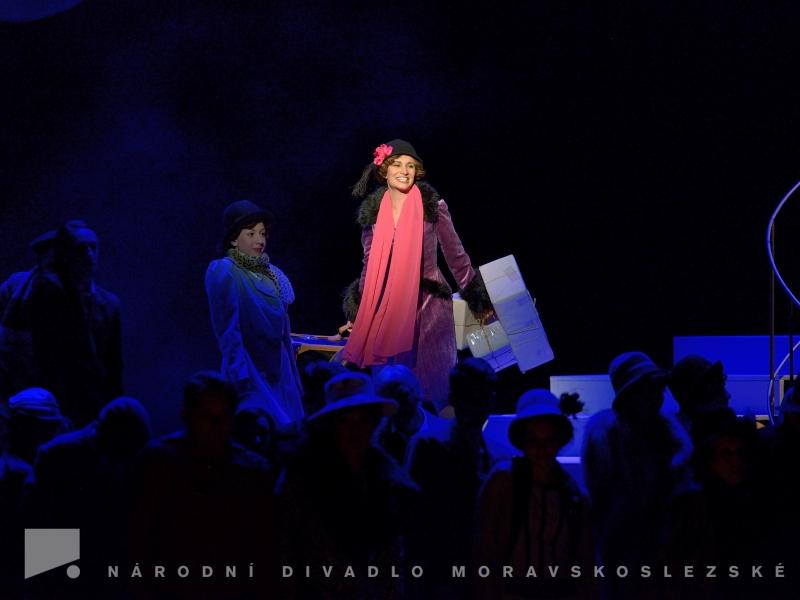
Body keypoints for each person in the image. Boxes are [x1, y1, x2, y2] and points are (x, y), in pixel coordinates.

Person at [341, 139, 492, 412]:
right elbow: (369, 267)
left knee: (435, 391)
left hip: (430, 311)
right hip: (389, 311)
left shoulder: (432, 207)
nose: (404, 171)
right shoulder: (373, 217)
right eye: (397, 164)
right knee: (394, 395)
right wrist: (359, 313)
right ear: (384, 170)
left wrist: (477, 298)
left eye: (411, 166)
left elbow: (456, 255)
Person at [275, 372, 418, 599]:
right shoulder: (303, 480)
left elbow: (396, 557)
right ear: (331, 425)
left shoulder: (392, 482)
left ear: (374, 422)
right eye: (344, 420)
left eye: (363, 420)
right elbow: (286, 552)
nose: (355, 430)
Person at [475, 389, 597, 600]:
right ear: (521, 441)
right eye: (533, 440)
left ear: (560, 439)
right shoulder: (503, 481)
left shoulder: (573, 495)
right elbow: (484, 546)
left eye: (549, 440)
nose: (542, 449)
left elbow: (585, 559)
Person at [205, 200, 303, 425]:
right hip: (251, 372)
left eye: (263, 233)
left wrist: (294, 379)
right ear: (233, 239)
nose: (260, 240)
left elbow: (284, 334)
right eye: (251, 234)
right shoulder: (225, 271)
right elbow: (228, 333)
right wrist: (242, 381)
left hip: (280, 374)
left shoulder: (271, 275)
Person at [26, 221, 123, 426]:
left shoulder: (110, 304)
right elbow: (43, 356)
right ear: (66, 255)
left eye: (93, 247)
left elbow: (114, 366)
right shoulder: (48, 295)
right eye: (81, 248)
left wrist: (114, 412)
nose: (89, 254)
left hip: (96, 407)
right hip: (55, 407)